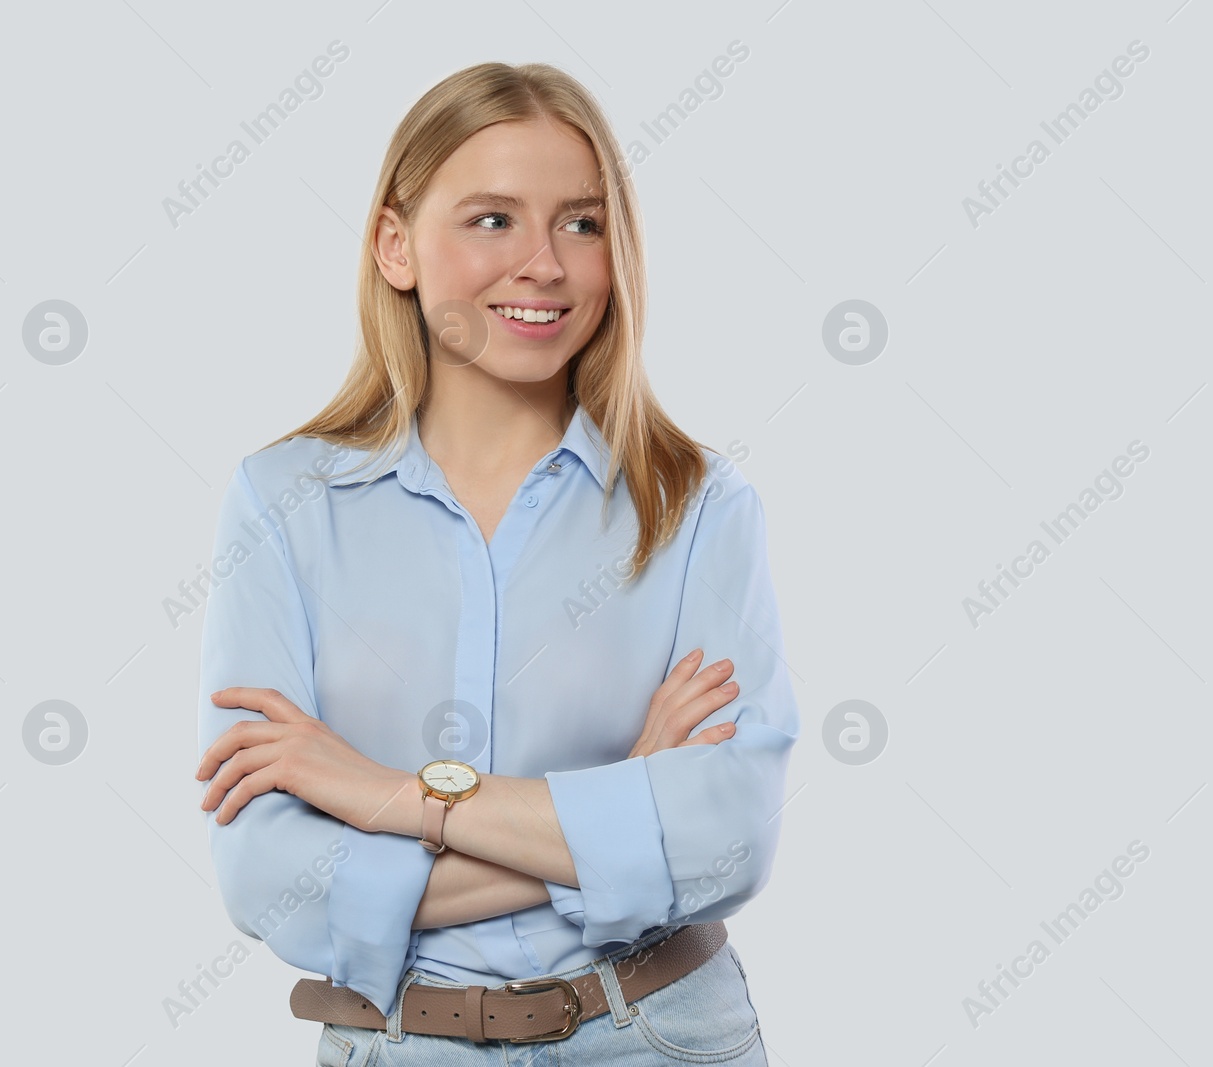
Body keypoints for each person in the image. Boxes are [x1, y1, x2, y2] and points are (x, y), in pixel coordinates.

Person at [192, 61, 798, 1065]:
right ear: (396, 245)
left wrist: (388, 796)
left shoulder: (698, 505)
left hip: (658, 1034)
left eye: (582, 222)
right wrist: (625, 799)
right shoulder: (280, 504)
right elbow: (269, 879)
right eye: (491, 220)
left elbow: (727, 837)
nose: (545, 264)